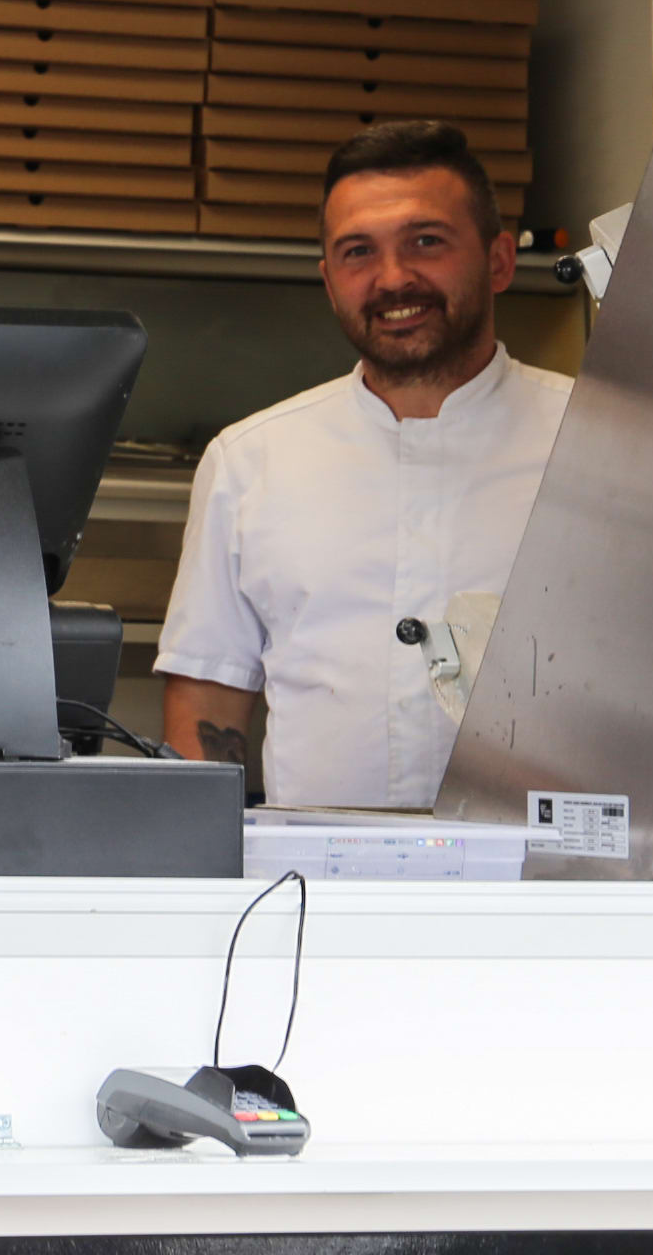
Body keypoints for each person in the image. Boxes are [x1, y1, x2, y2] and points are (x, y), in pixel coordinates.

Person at [156, 120, 571, 809]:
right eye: (358, 252)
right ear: (329, 281)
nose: (393, 278)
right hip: (313, 872)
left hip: (548, 868)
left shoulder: (598, 444)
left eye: (426, 242)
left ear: (499, 261)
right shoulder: (251, 461)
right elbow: (208, 697)